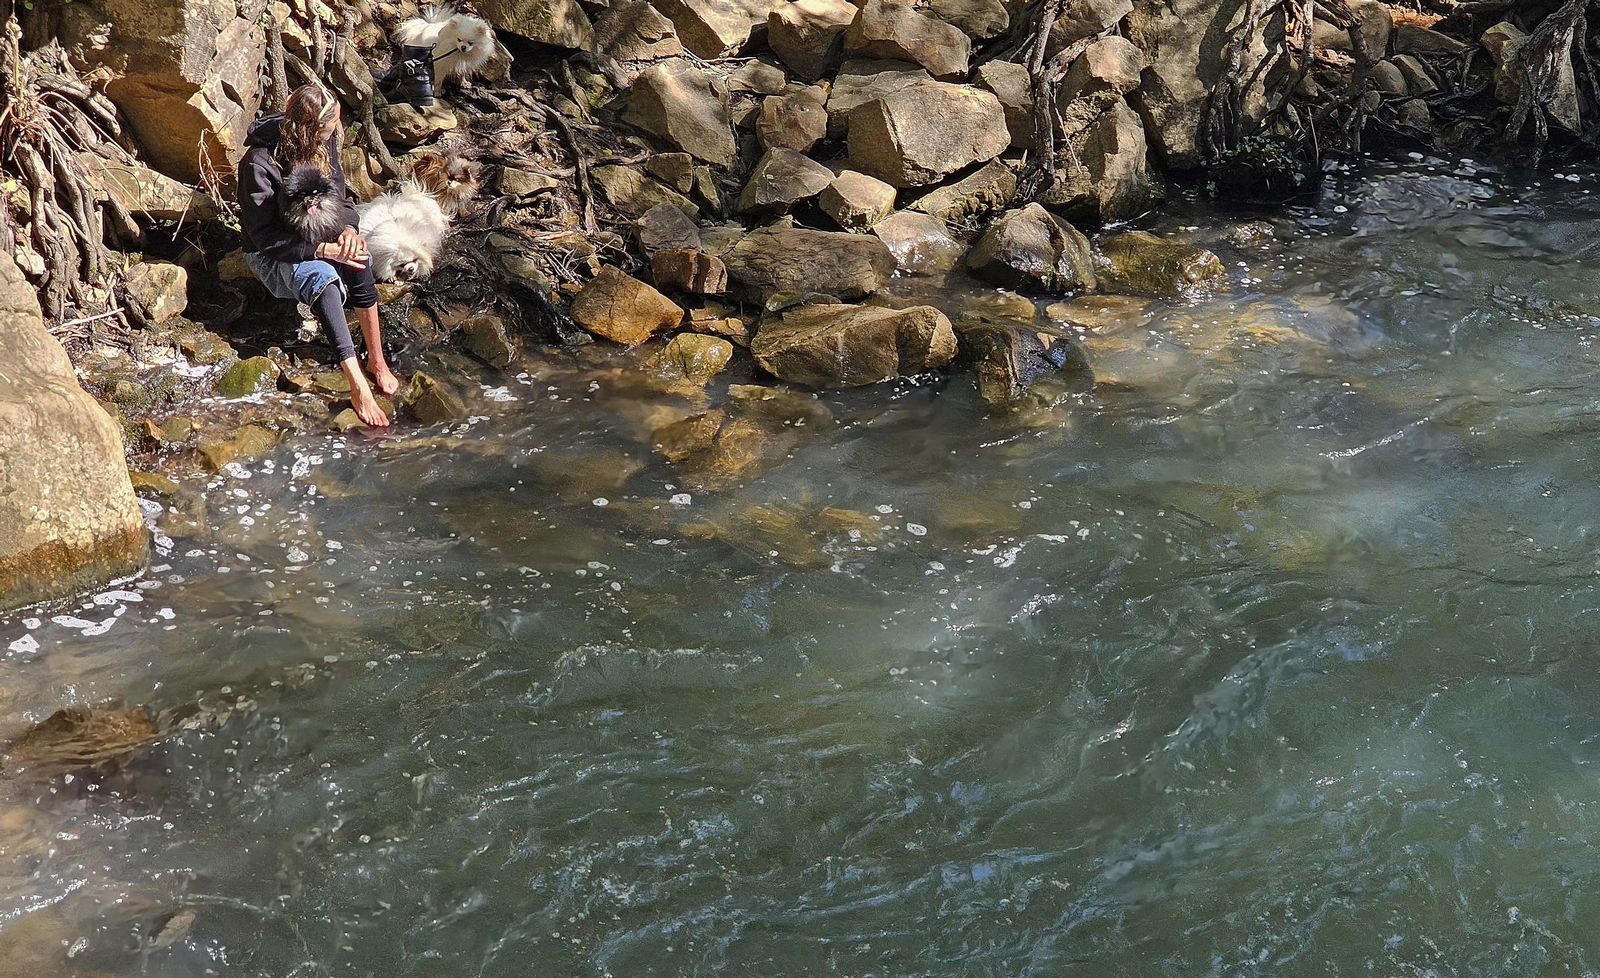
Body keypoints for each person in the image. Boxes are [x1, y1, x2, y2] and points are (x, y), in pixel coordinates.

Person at [237, 84, 401, 427]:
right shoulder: (258, 163)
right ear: (310, 128)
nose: (336, 131)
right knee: (323, 278)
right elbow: (264, 237)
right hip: (274, 252)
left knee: (358, 259)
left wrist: (349, 231)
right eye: (331, 126)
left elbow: (338, 198)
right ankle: (357, 385)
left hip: (320, 231)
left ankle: (377, 361)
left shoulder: (322, 143)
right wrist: (323, 251)